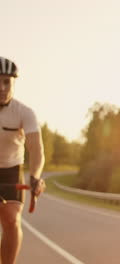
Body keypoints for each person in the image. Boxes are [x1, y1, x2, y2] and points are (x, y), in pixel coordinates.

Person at [0, 56, 46, 264]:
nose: (2, 87)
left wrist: (35, 176)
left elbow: (36, 150)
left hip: (11, 169)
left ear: (13, 83)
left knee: (11, 218)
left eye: (7, 82)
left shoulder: (25, 112)